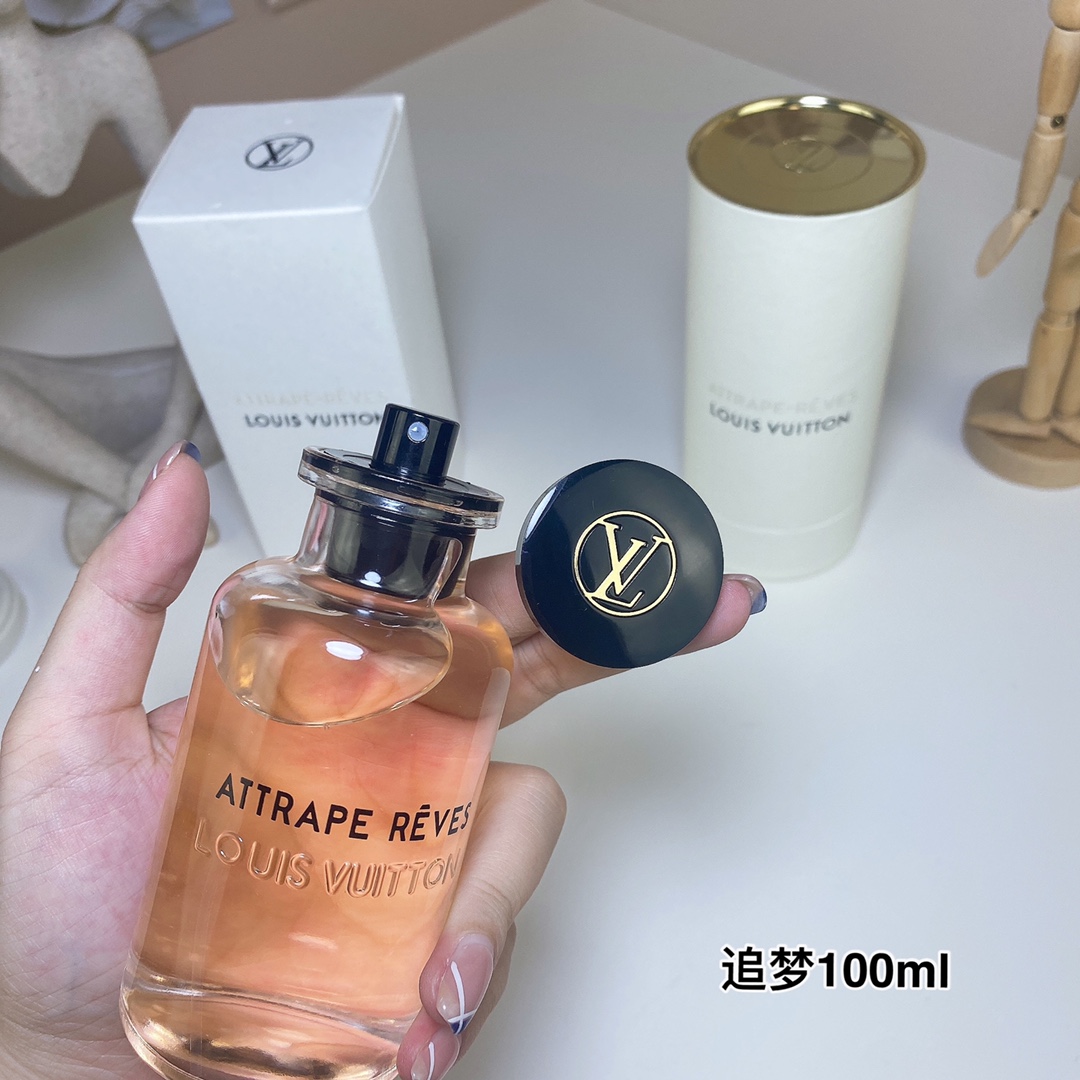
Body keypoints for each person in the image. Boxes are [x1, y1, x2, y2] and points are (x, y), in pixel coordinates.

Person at [0, 442, 764, 1080]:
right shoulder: (258, 608)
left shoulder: (475, 652)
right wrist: (39, 1054)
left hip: (340, 1039)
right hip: (160, 1014)